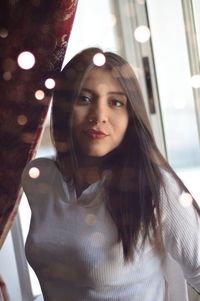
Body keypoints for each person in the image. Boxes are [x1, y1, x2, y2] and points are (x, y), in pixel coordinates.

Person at [22, 47, 200, 301]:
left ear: (131, 116)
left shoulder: (155, 188)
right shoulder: (38, 177)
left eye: (116, 102)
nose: (99, 116)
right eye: (84, 99)